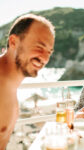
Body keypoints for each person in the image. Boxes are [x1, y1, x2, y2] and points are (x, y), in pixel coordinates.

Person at [0, 14, 55, 150]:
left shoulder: (9, 87)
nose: (45, 58)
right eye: (39, 47)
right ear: (13, 42)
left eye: (49, 52)